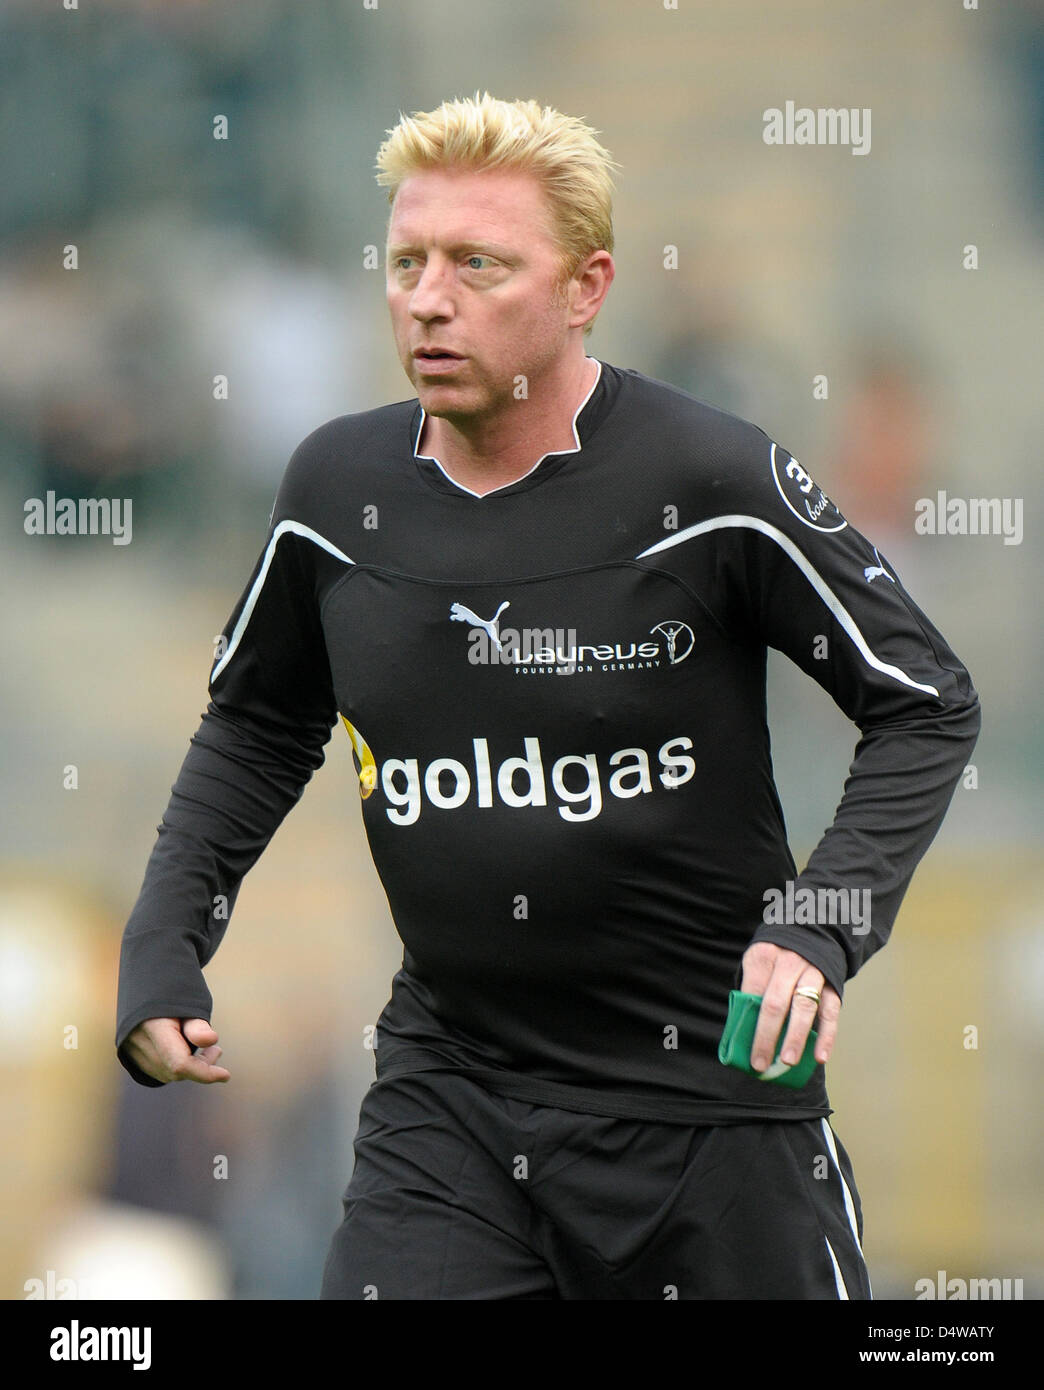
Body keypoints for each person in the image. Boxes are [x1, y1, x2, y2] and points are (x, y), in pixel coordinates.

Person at [115, 92, 981, 1300]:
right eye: (407, 261)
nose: (427, 296)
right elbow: (258, 721)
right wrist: (163, 947)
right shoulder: (334, 490)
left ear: (587, 287)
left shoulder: (712, 479)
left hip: (712, 1110)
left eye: (478, 264)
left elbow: (926, 701)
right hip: (454, 1100)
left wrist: (820, 925)